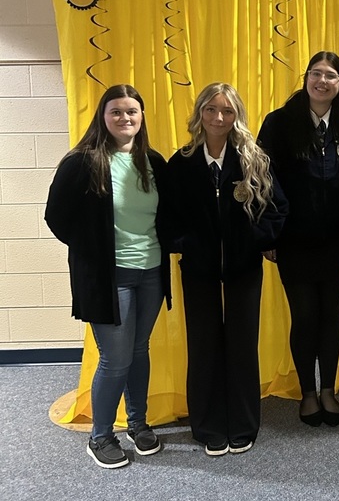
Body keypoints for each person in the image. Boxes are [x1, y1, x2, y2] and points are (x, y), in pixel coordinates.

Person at [45, 84, 172, 469]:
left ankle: (138, 424)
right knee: (115, 359)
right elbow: (57, 217)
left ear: (142, 117)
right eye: (116, 111)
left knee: (138, 351)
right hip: (109, 277)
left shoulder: (154, 161)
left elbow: (167, 216)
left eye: (132, 111)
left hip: (150, 271)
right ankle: (100, 436)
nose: (125, 118)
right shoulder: (82, 162)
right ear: (103, 116)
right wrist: (93, 253)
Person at [167, 83, 287, 456]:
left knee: (241, 346)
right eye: (211, 110)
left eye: (227, 111)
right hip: (199, 271)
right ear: (199, 113)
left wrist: (256, 239)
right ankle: (207, 426)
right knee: (203, 346)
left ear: (237, 116)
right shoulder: (182, 161)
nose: (219, 118)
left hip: (243, 269)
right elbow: (167, 216)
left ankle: (244, 424)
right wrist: (186, 244)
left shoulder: (254, 159)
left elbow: (278, 207)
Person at [258, 51, 339, 427]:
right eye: (316, 74)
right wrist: (269, 234)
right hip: (293, 239)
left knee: (330, 314)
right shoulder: (279, 123)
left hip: (337, 240)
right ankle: (307, 393)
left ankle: (328, 388)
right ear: (306, 78)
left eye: (331, 76)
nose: (322, 81)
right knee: (304, 315)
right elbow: (263, 182)